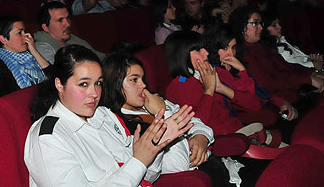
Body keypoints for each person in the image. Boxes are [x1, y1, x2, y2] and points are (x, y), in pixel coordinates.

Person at [24, 44, 193, 186]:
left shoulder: (103, 115)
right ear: (59, 84)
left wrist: (156, 145)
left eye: (98, 83)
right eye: (83, 84)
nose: (94, 93)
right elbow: (135, 167)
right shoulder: (49, 138)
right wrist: (139, 161)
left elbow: (145, 177)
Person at [101, 52, 239, 187]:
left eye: (143, 79)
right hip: (194, 178)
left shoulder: (152, 100)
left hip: (220, 168)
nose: (143, 85)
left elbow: (194, 120)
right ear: (115, 83)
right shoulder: (125, 125)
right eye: (134, 79)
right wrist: (163, 114)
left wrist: (201, 137)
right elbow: (178, 166)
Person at [163, 31, 268, 140]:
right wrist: (209, 90)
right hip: (222, 142)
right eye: (199, 50)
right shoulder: (180, 85)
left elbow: (254, 105)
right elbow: (195, 127)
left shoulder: (211, 72)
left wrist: (221, 88)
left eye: (204, 48)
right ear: (182, 55)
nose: (206, 53)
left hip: (237, 131)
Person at [228, 6, 324, 105]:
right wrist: (308, 79)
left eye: (260, 23)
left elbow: (286, 66)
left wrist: (311, 74)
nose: (261, 27)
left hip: (293, 90)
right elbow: (268, 84)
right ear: (241, 27)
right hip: (283, 99)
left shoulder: (260, 46)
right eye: (255, 23)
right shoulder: (244, 53)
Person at [0, 15, 51, 99]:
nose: (26, 36)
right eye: (20, 33)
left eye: (25, 31)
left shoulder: (29, 55)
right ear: (3, 39)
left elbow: (55, 76)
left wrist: (34, 51)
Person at [262, 9, 324, 79]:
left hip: (308, 69)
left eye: (279, 24)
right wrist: (313, 65)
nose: (280, 27)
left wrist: (310, 59)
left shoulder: (283, 40)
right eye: (274, 25)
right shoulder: (275, 48)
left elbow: (299, 56)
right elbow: (292, 65)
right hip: (301, 74)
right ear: (265, 29)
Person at [34, 1, 105, 64]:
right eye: (60, 20)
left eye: (67, 18)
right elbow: (58, 73)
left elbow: (99, 57)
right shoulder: (41, 48)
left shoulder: (72, 39)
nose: (68, 24)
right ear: (46, 27)